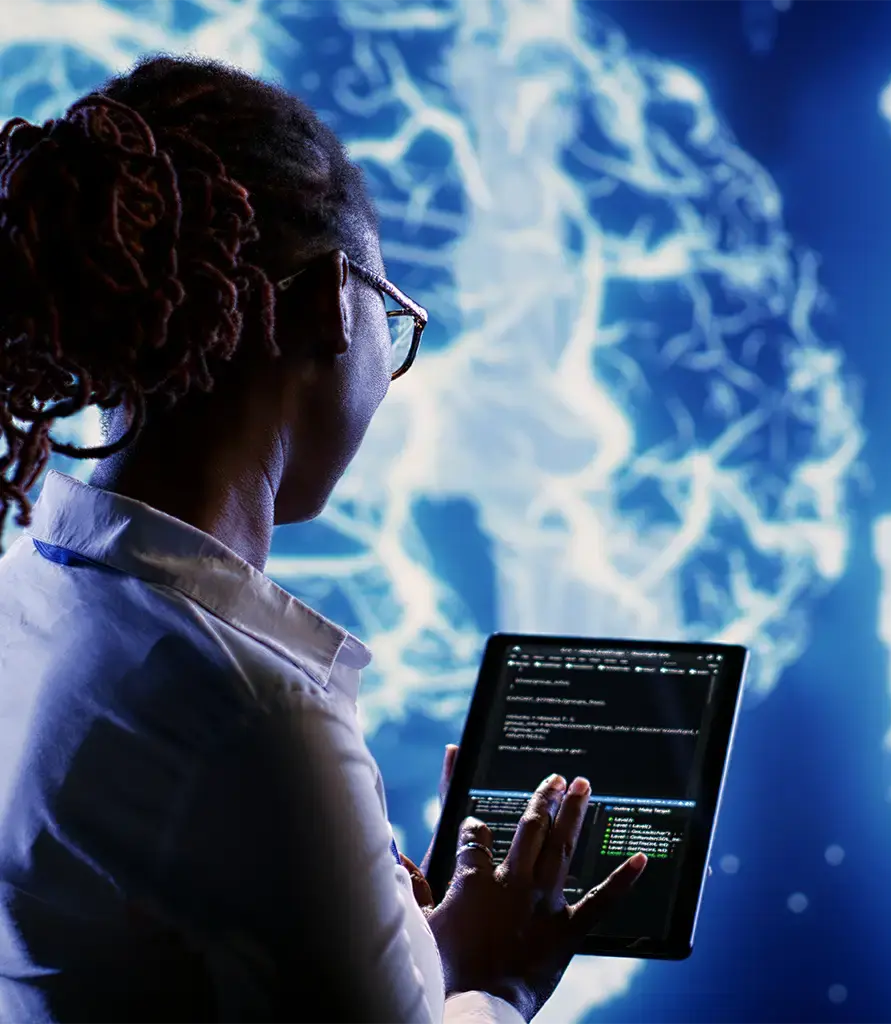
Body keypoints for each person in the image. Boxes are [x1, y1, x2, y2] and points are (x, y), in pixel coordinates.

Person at [0, 54, 647, 1023]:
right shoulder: (259, 716)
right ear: (329, 304)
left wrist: (410, 949)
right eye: (393, 316)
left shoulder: (21, 593)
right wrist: (502, 979)